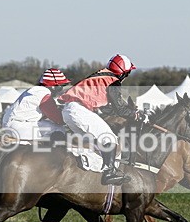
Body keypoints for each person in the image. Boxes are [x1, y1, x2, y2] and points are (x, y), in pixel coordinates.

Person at [58, 54, 138, 185]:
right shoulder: (113, 82)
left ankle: (90, 175)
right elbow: (120, 109)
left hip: (69, 111)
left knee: (95, 146)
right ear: (123, 73)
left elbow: (107, 109)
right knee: (109, 138)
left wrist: (130, 112)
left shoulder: (101, 76)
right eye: (127, 74)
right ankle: (109, 173)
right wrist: (136, 115)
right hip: (79, 111)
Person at [1, 68, 70, 142]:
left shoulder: (35, 90)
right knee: (59, 128)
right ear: (53, 86)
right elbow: (58, 119)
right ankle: (23, 142)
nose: (61, 90)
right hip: (18, 126)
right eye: (60, 87)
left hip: (12, 124)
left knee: (49, 126)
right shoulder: (44, 93)